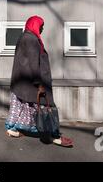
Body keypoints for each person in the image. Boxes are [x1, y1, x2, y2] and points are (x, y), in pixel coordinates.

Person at [5, 15, 73, 147]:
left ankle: (13, 129)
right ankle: (53, 136)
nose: (42, 29)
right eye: (40, 26)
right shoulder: (31, 39)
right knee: (46, 109)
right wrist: (39, 83)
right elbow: (33, 63)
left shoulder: (24, 37)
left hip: (23, 83)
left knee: (22, 106)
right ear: (34, 25)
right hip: (33, 83)